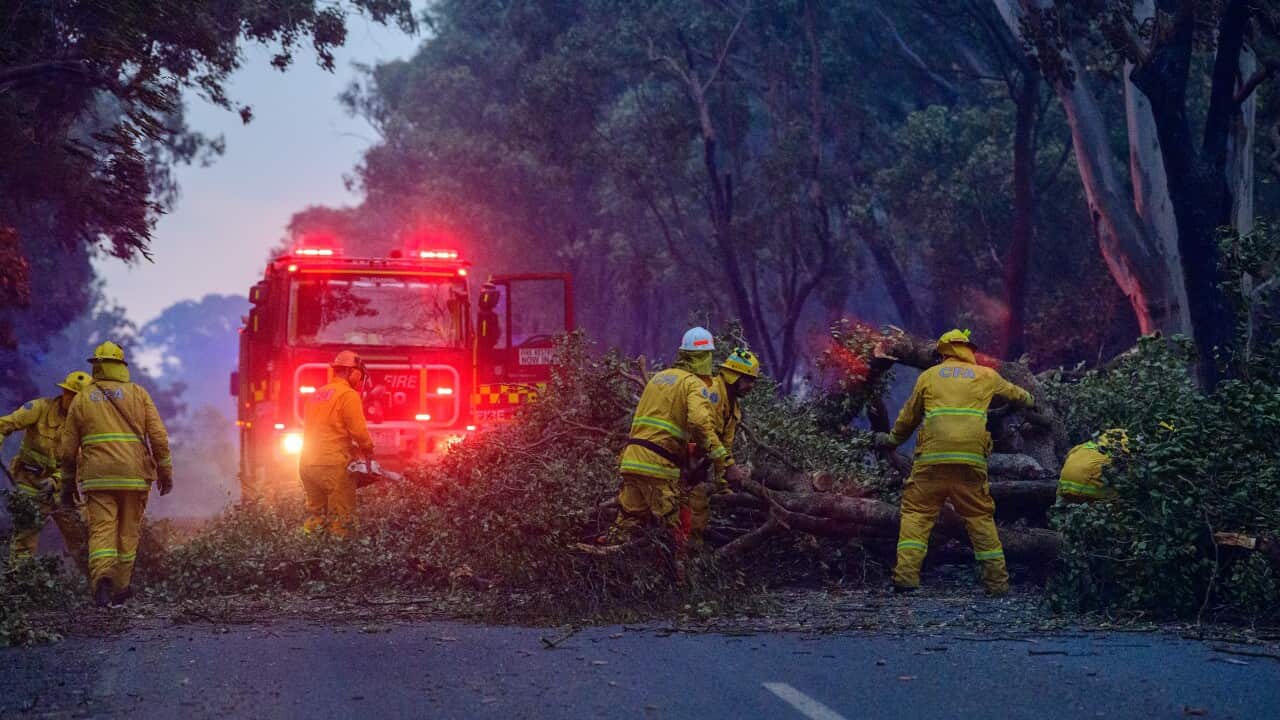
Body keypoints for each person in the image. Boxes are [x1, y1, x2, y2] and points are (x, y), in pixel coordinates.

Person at [875, 329, 1035, 596]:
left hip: (931, 463)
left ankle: (905, 578)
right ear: (968, 350)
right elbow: (1018, 394)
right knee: (979, 519)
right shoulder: (986, 375)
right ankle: (997, 584)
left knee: (916, 515)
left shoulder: (929, 377)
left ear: (943, 353)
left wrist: (891, 440)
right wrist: (1032, 403)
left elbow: (908, 419)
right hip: (970, 464)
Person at [59, 342, 173, 607]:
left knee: (101, 530)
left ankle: (101, 580)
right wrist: (165, 472)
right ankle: (121, 590)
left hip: (98, 478)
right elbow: (158, 437)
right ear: (122, 365)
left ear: (96, 365)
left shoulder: (83, 398)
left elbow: (67, 448)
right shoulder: (138, 394)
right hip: (134, 477)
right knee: (127, 532)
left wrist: (67, 483)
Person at [608, 327, 730, 552]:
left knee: (626, 525)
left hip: (632, 462)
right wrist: (724, 460)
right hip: (658, 469)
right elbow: (700, 425)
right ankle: (681, 582)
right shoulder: (693, 384)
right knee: (673, 532)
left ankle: (606, 569)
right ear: (705, 357)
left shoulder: (658, 379)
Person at [2, 371, 92, 564]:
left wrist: (56, 480)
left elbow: (81, 462)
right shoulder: (39, 408)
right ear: (63, 392)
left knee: (83, 537)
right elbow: (3, 425)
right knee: (24, 541)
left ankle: (94, 587)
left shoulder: (86, 426)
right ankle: (20, 584)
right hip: (30, 481)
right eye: (70, 393)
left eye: (79, 397)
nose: (73, 399)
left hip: (63, 487)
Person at [687, 348, 760, 541]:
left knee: (697, 514)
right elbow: (703, 431)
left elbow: (724, 447)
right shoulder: (710, 392)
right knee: (686, 513)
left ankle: (687, 559)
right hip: (681, 462)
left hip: (697, 468)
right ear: (733, 375)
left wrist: (723, 486)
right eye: (748, 379)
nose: (751, 386)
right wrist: (730, 466)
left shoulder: (733, 408)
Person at [299, 350, 374, 538]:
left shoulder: (317, 394)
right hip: (332, 467)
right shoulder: (348, 395)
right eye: (359, 374)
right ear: (353, 372)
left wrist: (351, 449)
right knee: (342, 520)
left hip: (307, 465)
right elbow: (358, 431)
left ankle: (307, 556)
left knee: (317, 517)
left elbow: (327, 430)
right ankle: (339, 563)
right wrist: (368, 450)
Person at [1058, 429, 1128, 502]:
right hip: (1084, 490)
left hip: (1063, 487)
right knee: (1120, 494)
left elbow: (1066, 459)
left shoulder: (1084, 446)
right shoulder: (1116, 456)